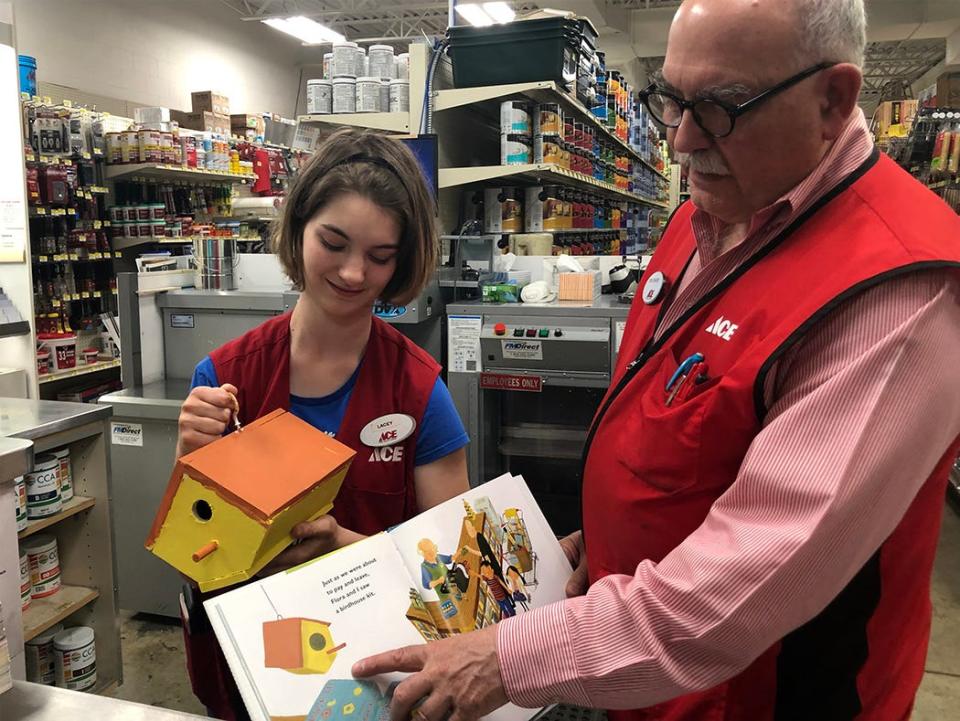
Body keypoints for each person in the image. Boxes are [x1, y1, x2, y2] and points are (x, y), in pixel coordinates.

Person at [353, 2, 960, 720]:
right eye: (671, 100)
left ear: (833, 100)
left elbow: (740, 587)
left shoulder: (898, 294)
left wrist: (509, 657)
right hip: (640, 675)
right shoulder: (706, 214)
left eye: (724, 107)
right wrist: (604, 542)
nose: (681, 141)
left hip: (757, 696)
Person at [176, 127, 470, 720]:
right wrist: (190, 457)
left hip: (374, 678)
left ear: (403, 259)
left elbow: (455, 578)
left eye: (380, 256)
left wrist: (344, 547)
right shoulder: (227, 377)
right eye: (332, 243)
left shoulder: (418, 391)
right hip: (250, 674)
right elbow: (193, 547)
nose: (354, 273)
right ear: (298, 230)